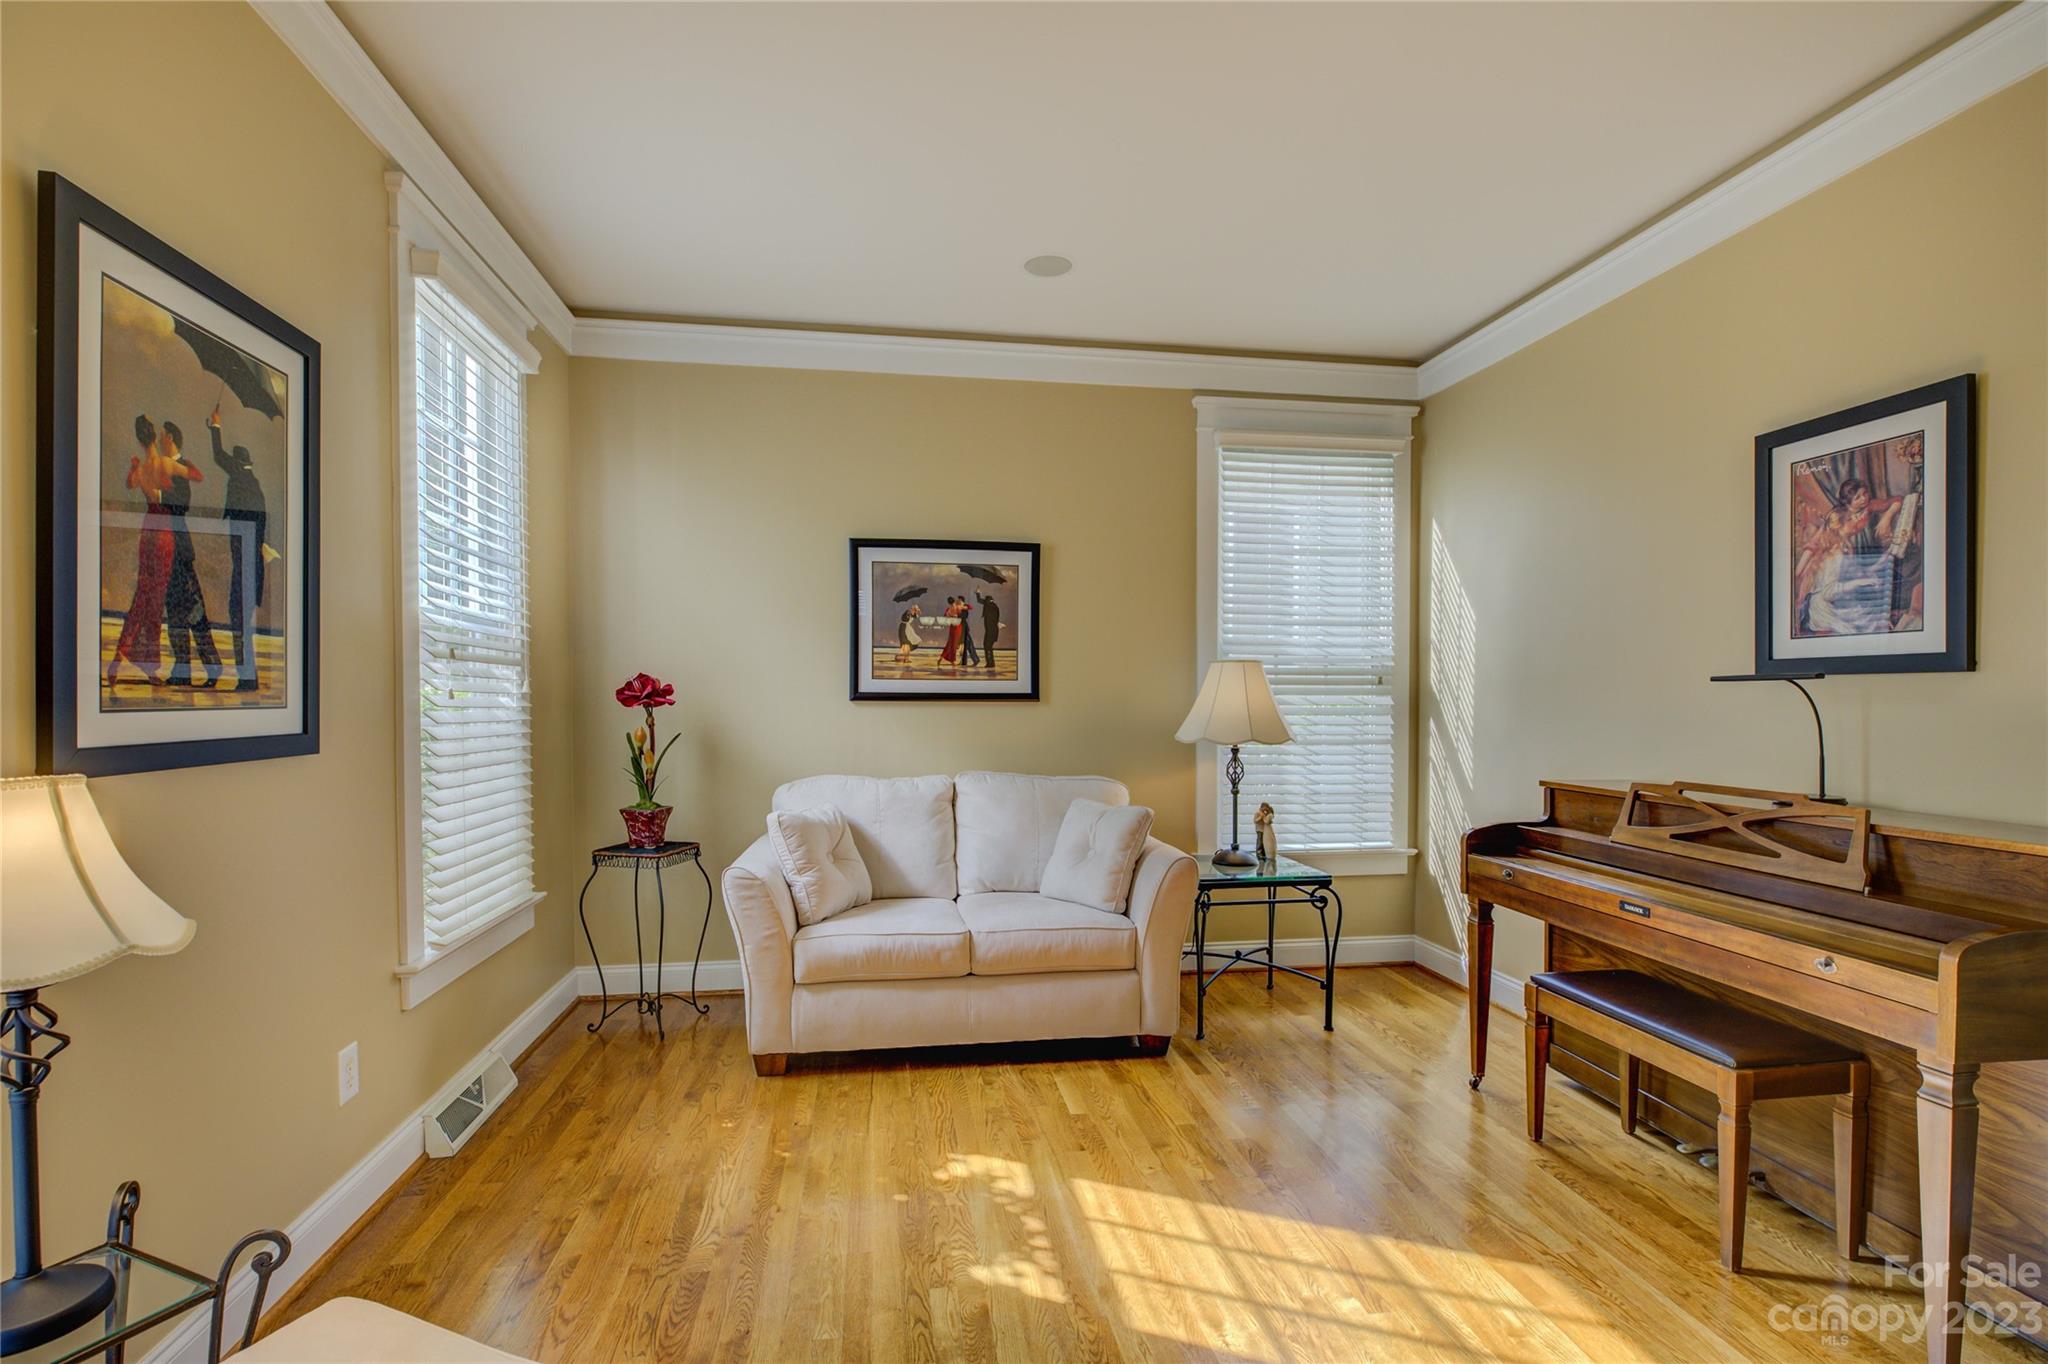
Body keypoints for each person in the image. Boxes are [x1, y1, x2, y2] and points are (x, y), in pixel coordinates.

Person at [108, 414, 200, 687]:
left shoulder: (142, 467)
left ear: (139, 438)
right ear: (154, 437)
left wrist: (136, 468)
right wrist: (178, 466)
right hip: (163, 535)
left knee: (141, 594)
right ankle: (149, 665)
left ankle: (119, 657)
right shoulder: (165, 463)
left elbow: (129, 484)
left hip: (147, 531)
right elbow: (197, 475)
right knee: (155, 599)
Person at [208, 405, 269, 691]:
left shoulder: (242, 479)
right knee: (242, 621)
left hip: (245, 565)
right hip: (249, 564)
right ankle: (248, 676)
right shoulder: (253, 486)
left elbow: (219, 456)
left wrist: (215, 427)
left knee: (239, 620)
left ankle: (247, 677)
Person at [157, 421, 222, 688]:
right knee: (174, 609)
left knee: (194, 609)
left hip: (180, 548)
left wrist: (159, 492)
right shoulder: (167, 465)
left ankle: (212, 665)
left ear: (170, 436)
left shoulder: (182, 467)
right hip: (169, 547)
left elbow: (182, 504)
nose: (161, 439)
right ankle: (182, 667)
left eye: (163, 435)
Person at [976, 590, 1001, 669]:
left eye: (985, 601)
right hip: (992, 631)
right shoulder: (993, 606)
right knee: (988, 646)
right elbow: (981, 600)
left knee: (987, 646)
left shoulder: (990, 607)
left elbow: (981, 601)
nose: (984, 603)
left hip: (991, 631)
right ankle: (990, 663)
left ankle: (990, 663)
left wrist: (978, 593)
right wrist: (978, 593)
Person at [939, 596, 963, 665]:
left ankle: (942, 657)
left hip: (952, 626)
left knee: (950, 643)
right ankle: (952, 660)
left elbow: (946, 616)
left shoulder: (949, 609)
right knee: (953, 644)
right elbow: (963, 611)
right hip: (957, 626)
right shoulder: (957, 607)